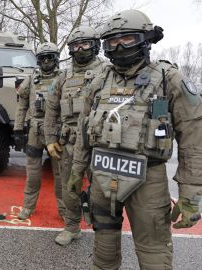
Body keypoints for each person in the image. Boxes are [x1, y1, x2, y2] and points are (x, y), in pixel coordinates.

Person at [69, 9, 202, 269]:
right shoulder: (99, 81)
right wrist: (76, 171)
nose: (118, 46)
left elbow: (193, 141)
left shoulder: (169, 79)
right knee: (103, 255)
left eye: (126, 39)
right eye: (112, 41)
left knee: (154, 254)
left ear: (145, 39)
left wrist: (190, 196)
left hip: (148, 182)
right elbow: (84, 131)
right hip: (101, 177)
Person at [44, 26, 106, 246]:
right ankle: (72, 227)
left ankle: (105, 231)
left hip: (100, 142)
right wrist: (50, 139)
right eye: (75, 45)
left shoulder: (108, 71)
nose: (80, 48)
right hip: (69, 142)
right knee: (70, 187)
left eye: (85, 44)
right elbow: (51, 110)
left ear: (95, 45)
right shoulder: (62, 77)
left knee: (102, 189)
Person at [13, 42, 65, 220]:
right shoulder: (32, 78)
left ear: (56, 59)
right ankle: (28, 207)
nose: (47, 61)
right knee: (33, 174)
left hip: (56, 132)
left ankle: (64, 210)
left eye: (50, 57)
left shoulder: (64, 77)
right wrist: (18, 129)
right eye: (43, 58)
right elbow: (21, 106)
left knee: (60, 175)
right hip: (34, 131)